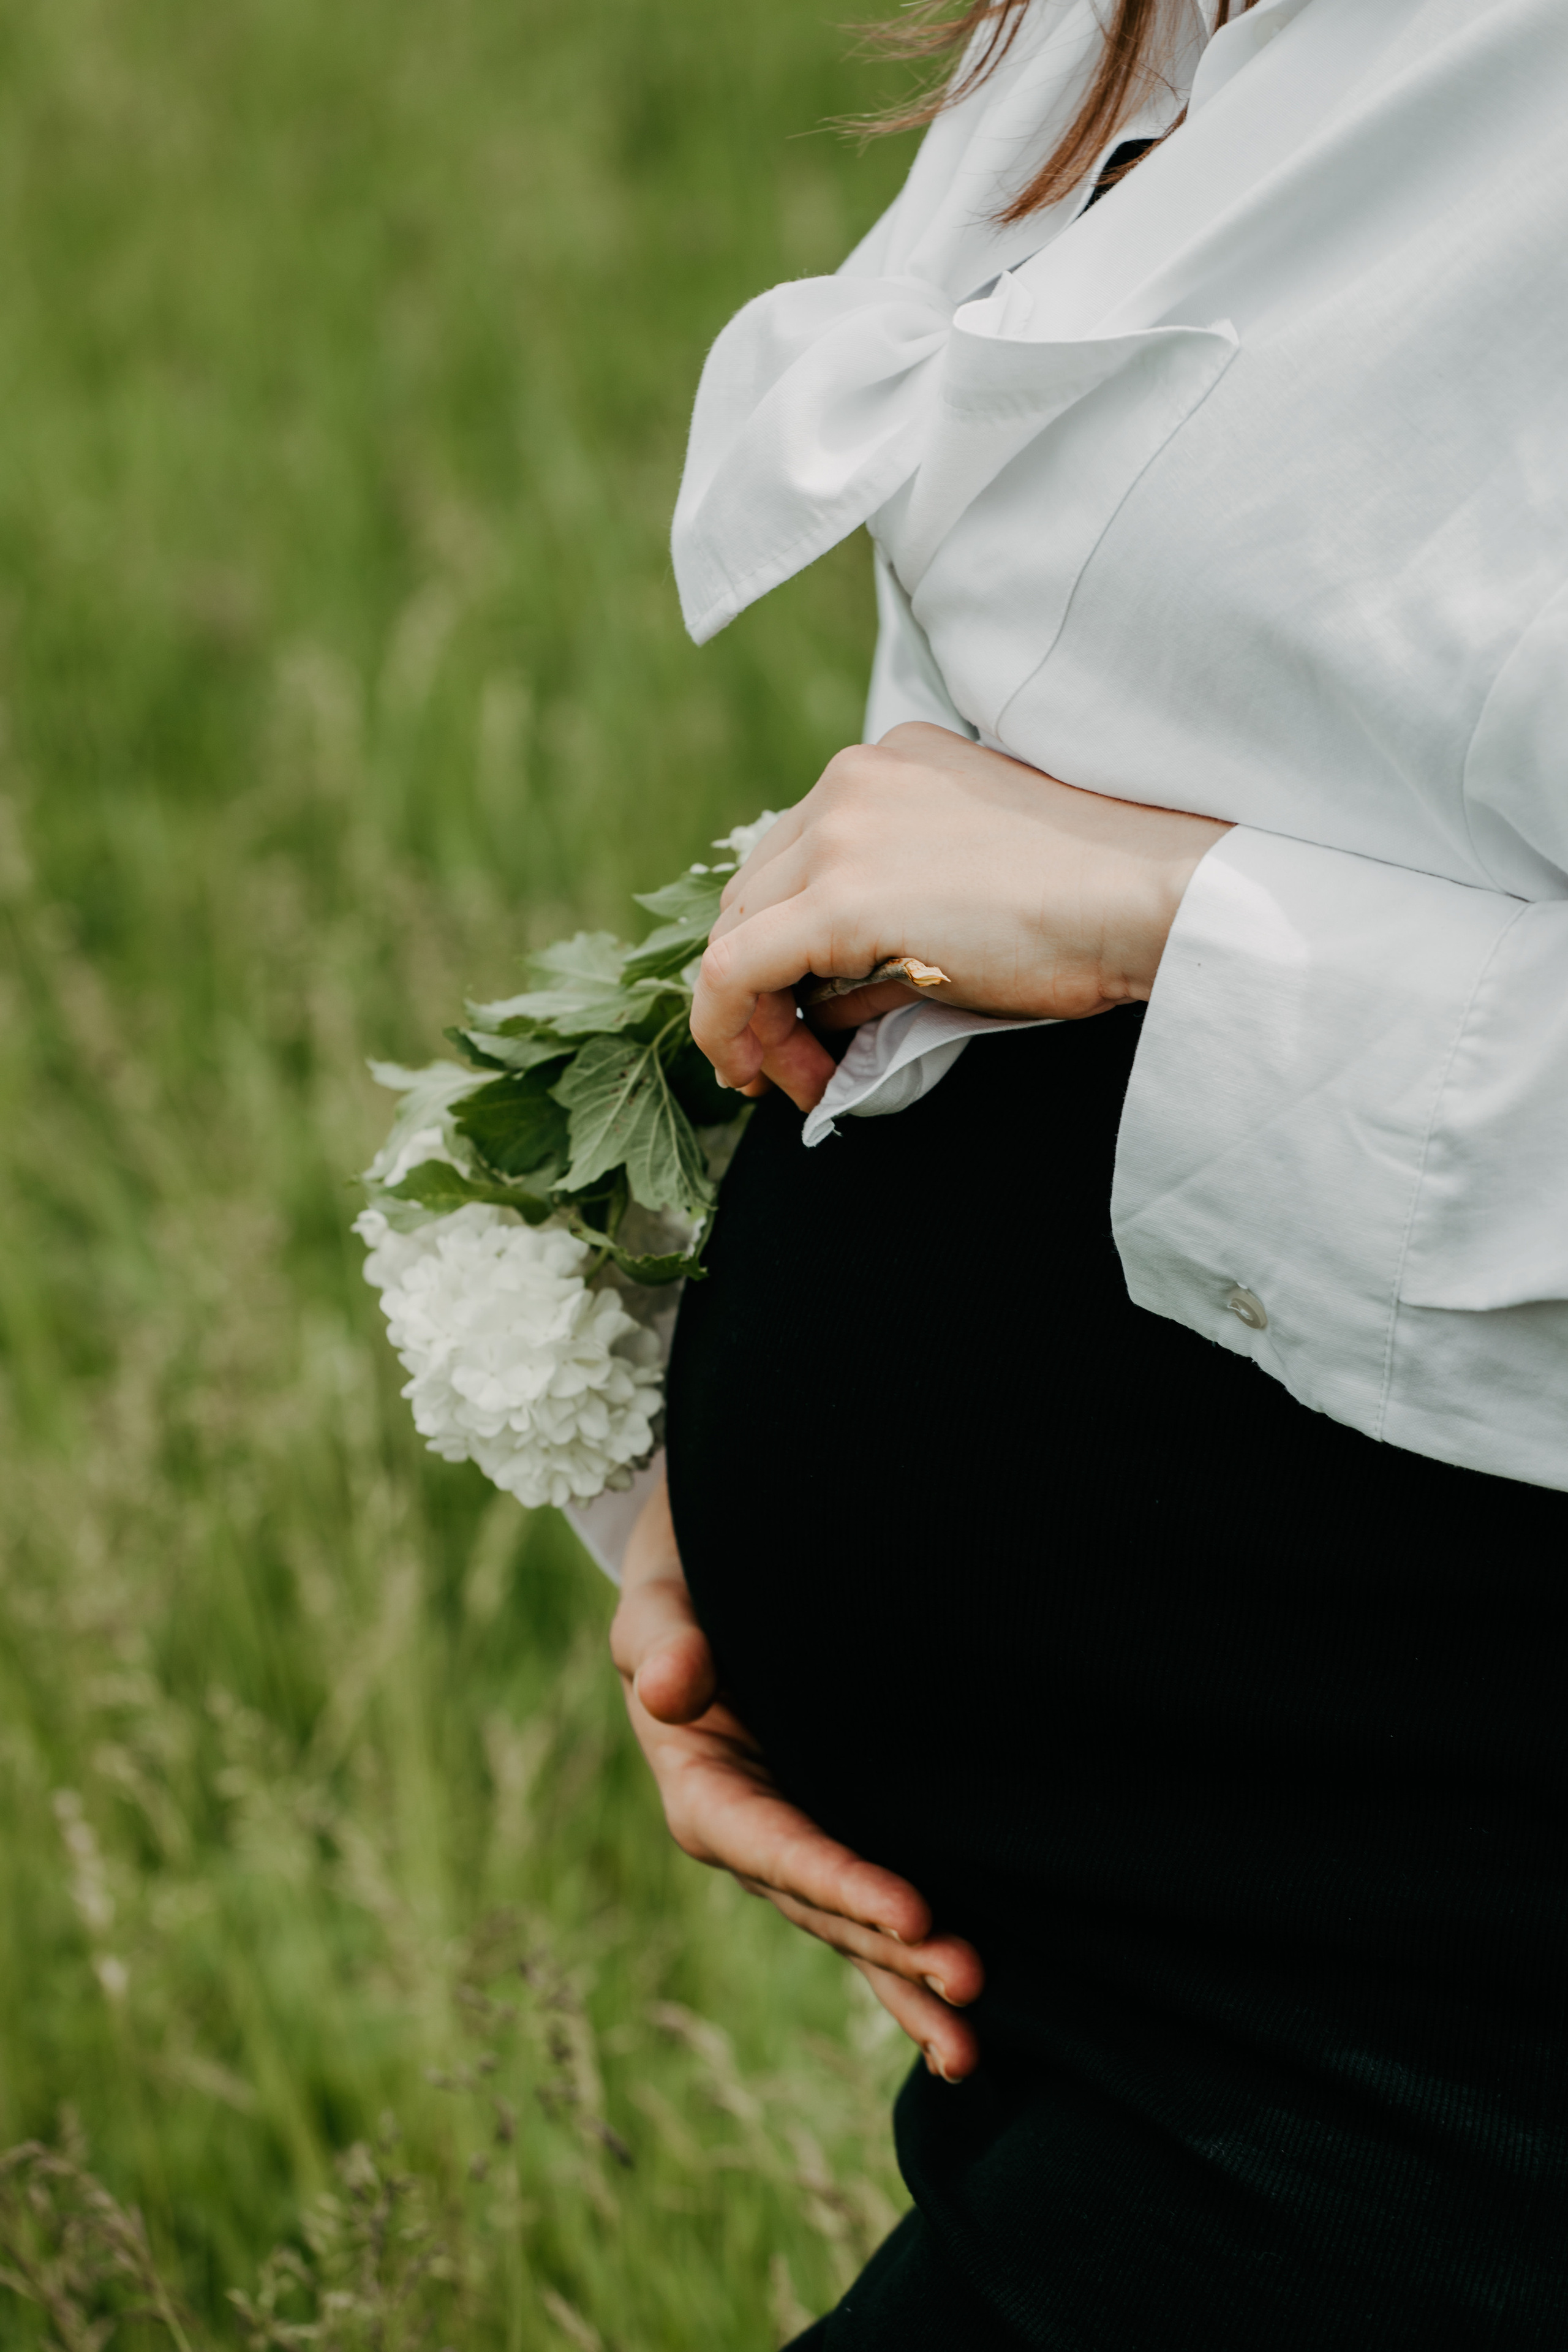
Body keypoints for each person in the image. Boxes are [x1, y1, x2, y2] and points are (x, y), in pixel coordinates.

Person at [608, 0, 1568, 2340]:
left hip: (1446, 2034)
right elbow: (1059, 751)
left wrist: (1176, 918)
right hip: (1156, 1986)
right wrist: (676, 1479)